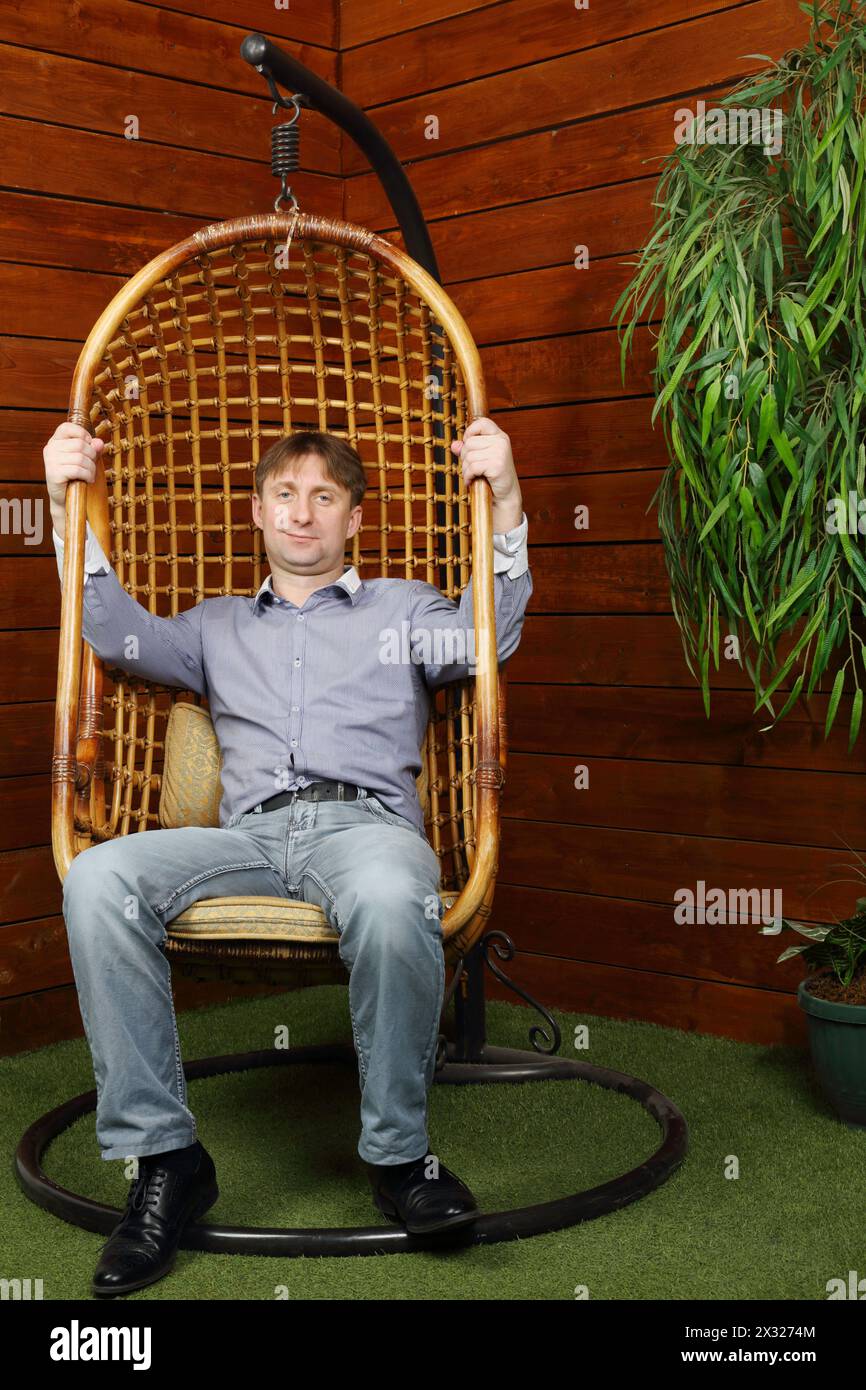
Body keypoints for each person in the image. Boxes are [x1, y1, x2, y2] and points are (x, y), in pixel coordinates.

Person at [44, 419, 533, 1296]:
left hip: (365, 832)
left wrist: (508, 500)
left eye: (324, 498)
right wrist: (60, 501)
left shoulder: (405, 610)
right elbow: (110, 633)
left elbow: (486, 643)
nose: (301, 513)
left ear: (352, 520)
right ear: (258, 513)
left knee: (392, 897)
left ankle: (399, 1159)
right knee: (99, 878)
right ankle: (168, 1163)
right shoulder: (216, 626)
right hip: (248, 838)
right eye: (284, 495)